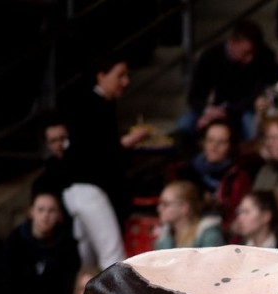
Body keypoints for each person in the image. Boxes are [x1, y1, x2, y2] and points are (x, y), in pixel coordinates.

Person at [59, 56, 149, 221]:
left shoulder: (107, 104)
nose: (125, 81)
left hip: (94, 188)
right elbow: (94, 149)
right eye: (120, 75)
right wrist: (128, 141)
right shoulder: (88, 105)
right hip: (89, 188)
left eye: (126, 75)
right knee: (111, 248)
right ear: (101, 76)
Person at [34, 117, 127, 270]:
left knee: (111, 257)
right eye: (53, 140)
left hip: (94, 201)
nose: (60, 144)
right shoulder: (47, 174)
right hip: (70, 225)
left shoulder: (86, 156)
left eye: (63, 138)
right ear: (47, 144)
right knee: (86, 263)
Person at [182, 20, 278, 143]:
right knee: (185, 123)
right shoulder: (211, 56)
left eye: (254, 52)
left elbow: (261, 91)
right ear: (232, 43)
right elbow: (195, 96)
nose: (251, 58)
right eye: (246, 53)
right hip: (219, 107)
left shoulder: (265, 55)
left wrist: (228, 110)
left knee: (251, 124)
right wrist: (208, 110)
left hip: (248, 107)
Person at [174, 119, 254, 228]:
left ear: (230, 146)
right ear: (203, 143)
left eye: (221, 142)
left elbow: (236, 215)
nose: (214, 146)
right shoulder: (188, 171)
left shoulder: (237, 176)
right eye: (210, 140)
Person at [153, 181, 226, 250]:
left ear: (184, 207)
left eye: (165, 204)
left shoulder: (209, 235)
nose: (159, 208)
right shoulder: (166, 234)